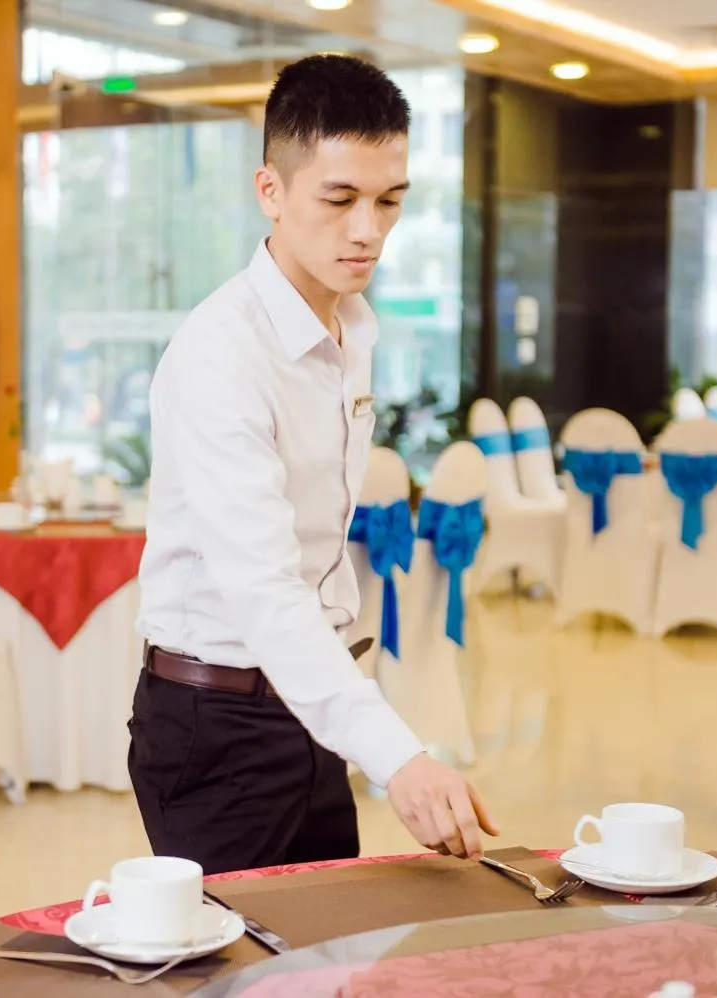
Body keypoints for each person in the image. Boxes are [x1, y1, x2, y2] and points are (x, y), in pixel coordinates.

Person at [129, 54, 499, 876]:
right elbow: (264, 589)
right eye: (339, 199)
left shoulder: (352, 328)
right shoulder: (222, 353)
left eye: (389, 201)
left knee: (330, 962)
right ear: (271, 191)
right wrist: (398, 757)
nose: (368, 229)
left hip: (309, 704)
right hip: (214, 722)